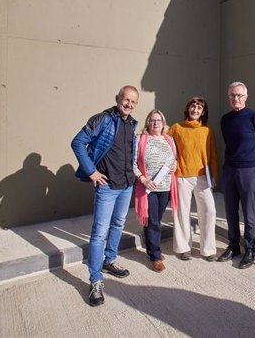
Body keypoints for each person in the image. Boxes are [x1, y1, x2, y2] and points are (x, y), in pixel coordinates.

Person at [71, 85, 139, 307]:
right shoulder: (103, 119)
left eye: (133, 101)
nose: (129, 104)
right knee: (99, 232)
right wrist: (91, 171)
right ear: (117, 99)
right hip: (107, 186)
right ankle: (95, 279)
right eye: (125, 99)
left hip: (126, 185)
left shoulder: (132, 124)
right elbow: (78, 142)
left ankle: (110, 260)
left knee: (118, 224)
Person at [218, 82, 255, 269]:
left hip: (249, 170)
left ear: (246, 97)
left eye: (239, 95)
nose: (236, 99)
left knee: (249, 212)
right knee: (231, 210)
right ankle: (233, 246)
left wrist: (252, 162)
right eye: (232, 95)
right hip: (230, 169)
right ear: (228, 97)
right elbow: (229, 142)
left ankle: (250, 248)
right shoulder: (226, 119)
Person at [168, 97, 220, 262]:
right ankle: (183, 248)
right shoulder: (177, 128)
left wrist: (214, 174)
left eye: (199, 108)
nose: (195, 110)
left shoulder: (207, 130)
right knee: (181, 212)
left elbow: (213, 154)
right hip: (181, 176)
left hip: (202, 177)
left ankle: (208, 249)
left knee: (209, 211)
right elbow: (164, 141)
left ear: (203, 112)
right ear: (188, 109)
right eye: (193, 106)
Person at [133, 109, 178, 272]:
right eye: (152, 120)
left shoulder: (169, 139)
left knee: (156, 220)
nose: (155, 123)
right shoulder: (140, 139)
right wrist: (144, 180)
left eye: (158, 120)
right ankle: (156, 256)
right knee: (153, 222)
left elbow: (175, 159)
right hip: (148, 188)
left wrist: (175, 166)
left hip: (165, 186)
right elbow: (133, 164)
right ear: (147, 123)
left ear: (163, 123)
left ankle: (151, 248)